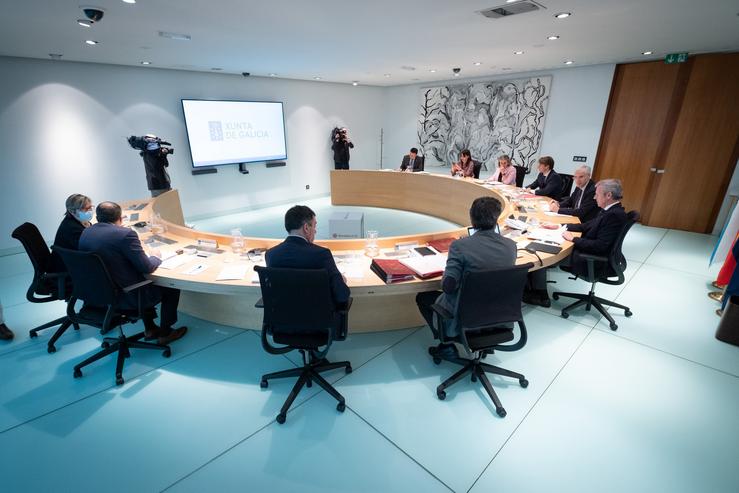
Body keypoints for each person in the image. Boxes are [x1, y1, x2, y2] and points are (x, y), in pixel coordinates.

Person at [416, 196, 516, 354]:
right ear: (497, 218)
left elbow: (448, 287)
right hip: (500, 318)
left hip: (464, 319)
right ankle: (486, 345)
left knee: (423, 297)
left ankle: (446, 345)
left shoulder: (460, 246)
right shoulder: (511, 246)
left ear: (471, 217)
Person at [78, 202, 187, 345]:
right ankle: (166, 332)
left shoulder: (87, 232)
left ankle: (150, 328)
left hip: (98, 294)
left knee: (137, 280)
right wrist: (156, 256)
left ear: (98, 217)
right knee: (170, 287)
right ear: (120, 218)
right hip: (126, 295)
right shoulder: (125, 234)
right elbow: (146, 267)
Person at [266, 205, 350, 316]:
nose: (315, 231)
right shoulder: (321, 254)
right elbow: (342, 295)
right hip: (319, 323)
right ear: (306, 228)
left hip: (283, 323)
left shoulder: (271, 255)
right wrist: (341, 279)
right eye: (314, 226)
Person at [561, 179, 628, 278]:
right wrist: (562, 226)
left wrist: (573, 239)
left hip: (594, 259)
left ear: (608, 195)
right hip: (589, 251)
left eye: (597, 194)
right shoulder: (608, 210)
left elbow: (600, 246)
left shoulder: (614, 216)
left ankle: (539, 290)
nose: (594, 197)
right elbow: (586, 225)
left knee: (550, 253)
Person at [48, 193, 93, 273]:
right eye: (86, 209)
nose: (89, 211)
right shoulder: (72, 228)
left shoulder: (76, 220)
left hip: (70, 261)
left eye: (90, 208)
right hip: (67, 267)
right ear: (72, 211)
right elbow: (89, 250)